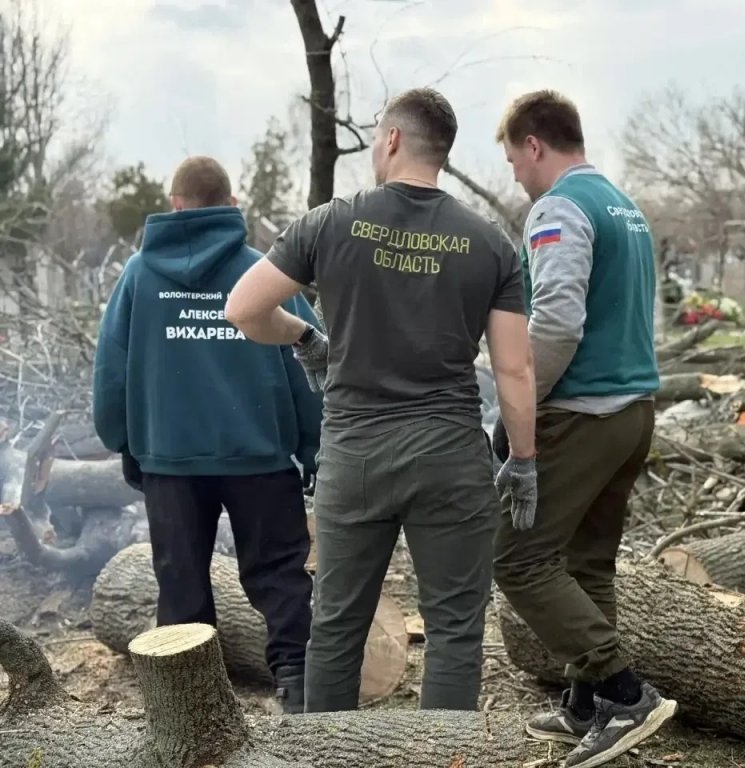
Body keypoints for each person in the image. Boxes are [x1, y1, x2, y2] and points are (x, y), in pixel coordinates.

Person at [223, 86, 537, 713]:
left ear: (392, 139)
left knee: (336, 629)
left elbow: (243, 309)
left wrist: (305, 336)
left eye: (376, 136)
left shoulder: (330, 222)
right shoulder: (492, 242)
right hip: (451, 456)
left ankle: (326, 759)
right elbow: (514, 367)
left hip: (356, 455)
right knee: (455, 633)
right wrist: (523, 461)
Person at [92, 156, 323, 715]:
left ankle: (189, 711)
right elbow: (307, 362)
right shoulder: (264, 271)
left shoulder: (138, 276)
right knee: (279, 576)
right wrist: (313, 446)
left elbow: (112, 369)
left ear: (174, 205)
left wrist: (123, 441)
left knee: (181, 583)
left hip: (171, 460)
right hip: (260, 457)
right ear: (232, 205)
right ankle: (297, 686)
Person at [491, 90, 678, 768]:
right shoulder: (624, 207)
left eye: (514, 159)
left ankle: (622, 691)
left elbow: (558, 322)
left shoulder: (560, 208)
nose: (516, 173)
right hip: (633, 412)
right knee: (586, 560)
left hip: (582, 412)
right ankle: (583, 703)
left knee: (515, 558)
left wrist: (518, 414)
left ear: (534, 145)